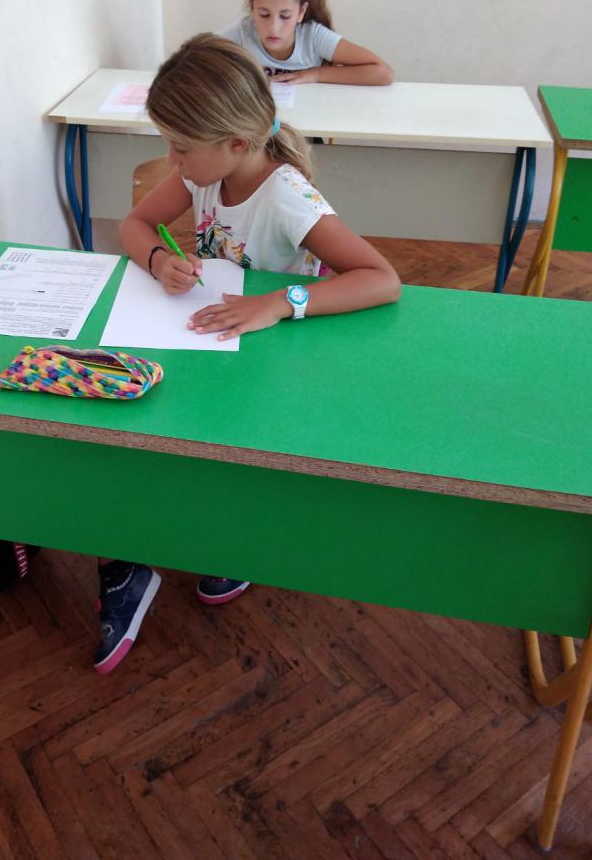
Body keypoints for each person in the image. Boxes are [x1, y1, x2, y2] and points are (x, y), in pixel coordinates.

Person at [94, 34, 401, 675]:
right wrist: (159, 259)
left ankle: (237, 536)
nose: (171, 159)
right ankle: (135, 552)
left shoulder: (283, 194)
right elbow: (134, 225)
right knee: (141, 423)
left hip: (273, 358)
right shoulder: (202, 171)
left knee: (227, 451)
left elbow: (381, 279)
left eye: (180, 147)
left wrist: (278, 303)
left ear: (236, 143)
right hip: (210, 340)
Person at [219, 0, 393, 86]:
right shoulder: (242, 33)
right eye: (264, 14)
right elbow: (201, 57)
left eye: (285, 16)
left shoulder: (313, 37)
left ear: (301, 12)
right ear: (252, 7)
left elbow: (383, 73)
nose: (274, 28)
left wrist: (314, 74)